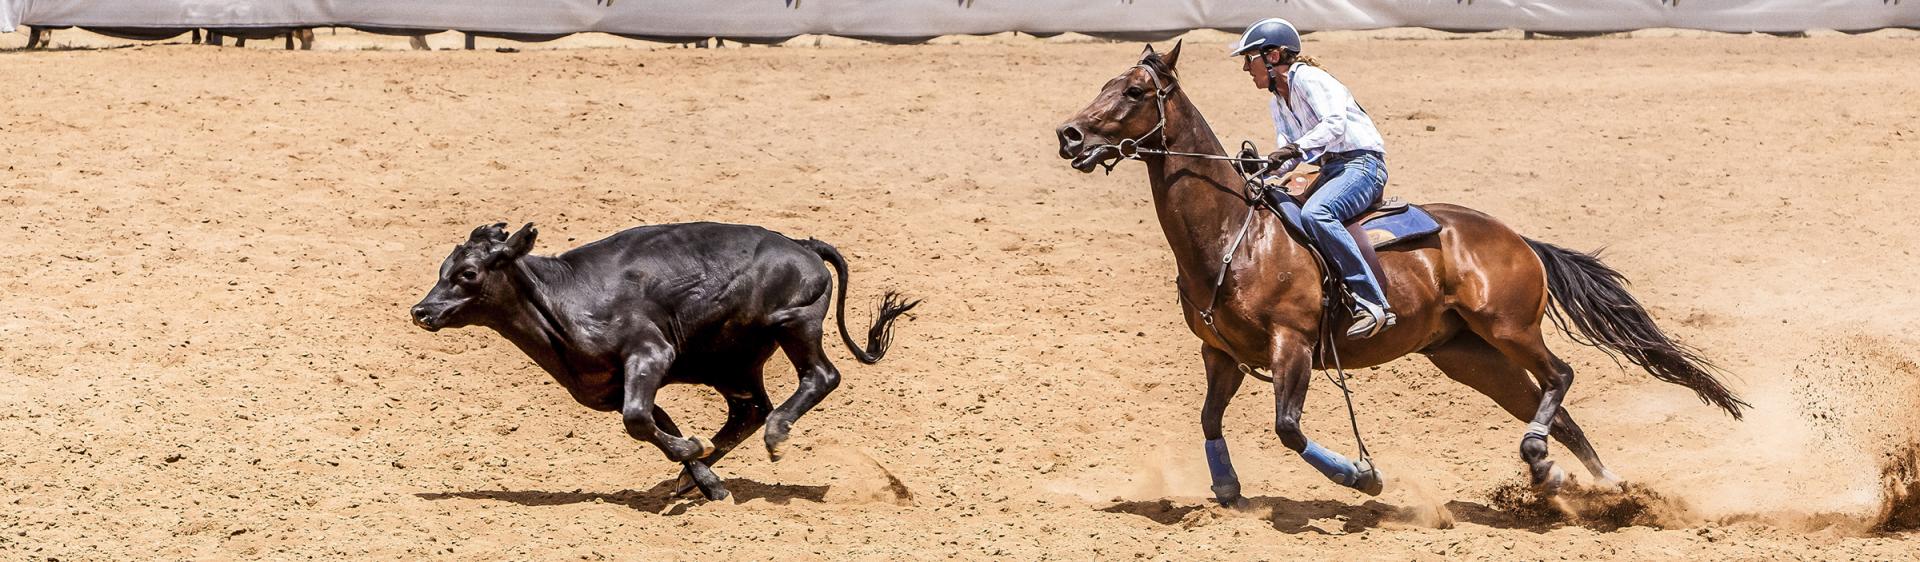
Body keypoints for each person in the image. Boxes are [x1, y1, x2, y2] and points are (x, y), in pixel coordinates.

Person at [1229, 17, 1395, 338]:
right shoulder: (1278, 103)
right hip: (1333, 169)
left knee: (1317, 213)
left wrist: (1293, 148)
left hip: (1363, 166)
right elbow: (1287, 159)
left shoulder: (1309, 78)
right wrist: (1260, 168)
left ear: (1273, 56)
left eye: (1250, 59)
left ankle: (1372, 303)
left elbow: (1334, 125)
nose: (1246, 69)